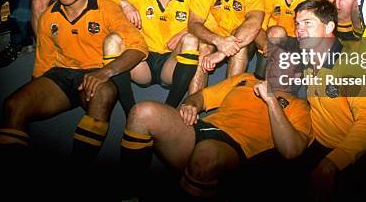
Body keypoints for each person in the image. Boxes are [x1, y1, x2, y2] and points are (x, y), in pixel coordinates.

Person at [118, 29, 311, 199]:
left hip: (235, 148)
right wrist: (190, 104)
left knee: (206, 155)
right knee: (142, 112)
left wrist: (271, 100)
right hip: (202, 130)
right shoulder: (245, 80)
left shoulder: (300, 106)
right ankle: (129, 194)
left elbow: (291, 151)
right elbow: (202, 97)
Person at [0, 0, 148, 163]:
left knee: (104, 93)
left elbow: (138, 47)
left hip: (96, 75)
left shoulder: (107, 8)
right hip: (62, 76)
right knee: (13, 105)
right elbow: (44, 61)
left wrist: (106, 71)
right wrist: (35, 93)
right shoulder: (49, 16)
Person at [293, 0, 366, 200]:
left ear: (330, 27)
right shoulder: (309, 57)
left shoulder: (352, 66)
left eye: (308, 23)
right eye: (297, 24)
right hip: (318, 144)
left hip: (351, 155)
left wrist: (332, 163)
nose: (299, 30)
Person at [94, 0, 200, 114]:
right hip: (142, 62)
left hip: (170, 65)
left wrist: (186, 30)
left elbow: (213, 21)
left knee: (191, 40)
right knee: (112, 41)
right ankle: (129, 111)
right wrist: (125, 4)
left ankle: (169, 110)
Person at [188, 0, 265, 92]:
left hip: (241, 37)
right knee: (203, 48)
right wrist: (218, 41)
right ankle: (192, 105)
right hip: (213, 36)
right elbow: (193, 24)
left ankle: (228, 107)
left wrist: (222, 51)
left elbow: (254, 22)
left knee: (239, 49)